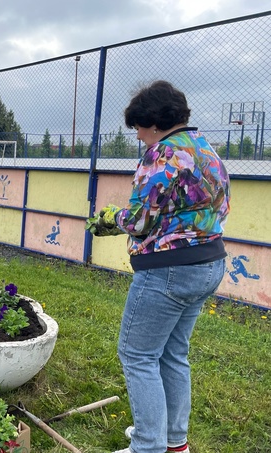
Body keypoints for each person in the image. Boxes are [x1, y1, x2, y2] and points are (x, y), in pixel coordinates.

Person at [86, 81, 230, 453]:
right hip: (209, 262)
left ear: (153, 122)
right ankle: (173, 442)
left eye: (138, 127)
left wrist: (108, 218)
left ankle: (148, 446)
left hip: (169, 268)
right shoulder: (206, 150)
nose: (138, 136)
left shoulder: (163, 153)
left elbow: (138, 220)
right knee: (172, 353)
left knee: (137, 355)